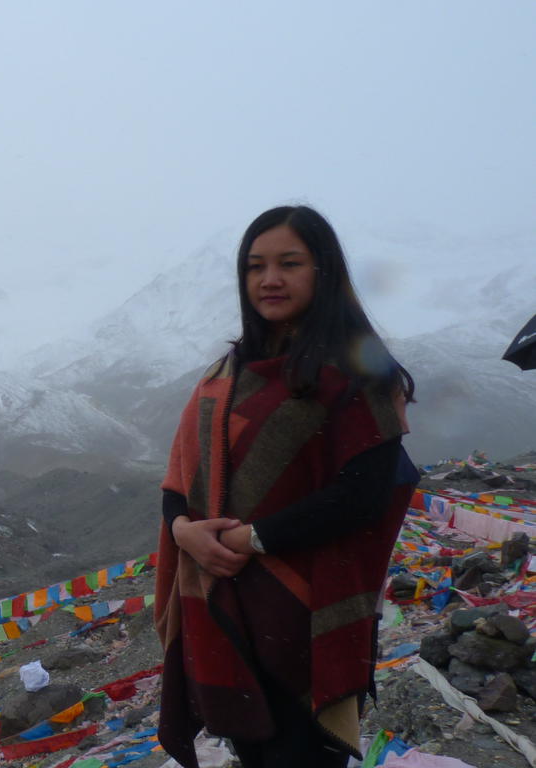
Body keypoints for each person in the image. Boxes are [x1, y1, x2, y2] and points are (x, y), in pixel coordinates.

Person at [154, 205, 420, 768]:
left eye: (289, 263)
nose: (269, 279)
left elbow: (363, 495)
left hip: (310, 617)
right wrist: (185, 533)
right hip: (223, 609)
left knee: (301, 754)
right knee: (253, 749)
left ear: (323, 271)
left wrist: (252, 539)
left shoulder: (357, 374)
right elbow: (180, 480)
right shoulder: (222, 377)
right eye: (255, 266)